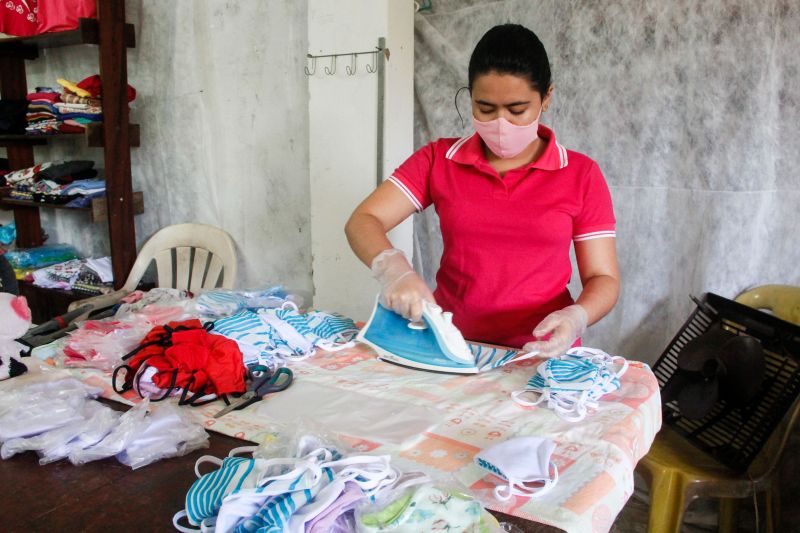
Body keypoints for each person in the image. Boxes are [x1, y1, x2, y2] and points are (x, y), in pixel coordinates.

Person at [345, 24, 619, 358]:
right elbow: (364, 219)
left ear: (546, 97)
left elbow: (603, 277)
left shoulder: (579, 174)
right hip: (453, 348)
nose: (501, 123)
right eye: (485, 109)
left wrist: (576, 316)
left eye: (517, 110)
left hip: (539, 353)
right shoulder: (439, 160)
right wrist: (395, 271)